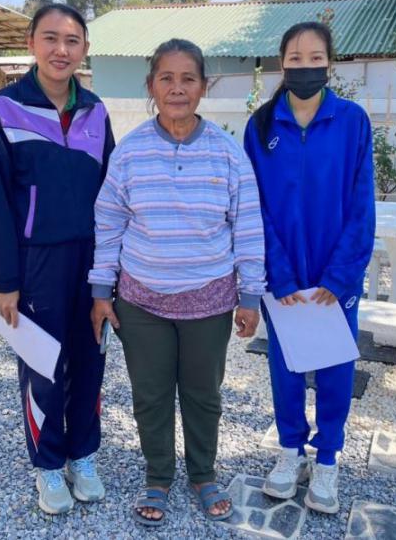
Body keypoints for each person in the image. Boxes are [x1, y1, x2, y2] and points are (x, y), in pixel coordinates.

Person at [88, 39, 265, 527]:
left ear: (203, 87)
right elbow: (109, 225)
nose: (177, 88)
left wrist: (250, 295)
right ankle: (158, 475)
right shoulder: (130, 153)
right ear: (151, 86)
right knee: (150, 394)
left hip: (209, 301)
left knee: (203, 394)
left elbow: (248, 227)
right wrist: (101, 292)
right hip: (141, 302)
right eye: (166, 78)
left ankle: (203, 473)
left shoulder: (227, 154)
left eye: (188, 78)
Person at [0, 3, 115, 515]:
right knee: (44, 365)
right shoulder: (3, 109)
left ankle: (83, 455)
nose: (62, 50)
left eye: (72, 40)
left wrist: (111, 272)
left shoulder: (96, 111)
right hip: (36, 264)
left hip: (91, 262)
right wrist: (5, 279)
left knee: (91, 361)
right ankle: (49, 465)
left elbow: (111, 197)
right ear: (32, 43)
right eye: (51, 38)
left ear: (85, 49)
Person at [243, 21, 375, 514]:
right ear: (282, 63)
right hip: (283, 277)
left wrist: (340, 277)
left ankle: (328, 459)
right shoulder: (261, 126)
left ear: (330, 64)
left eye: (315, 58)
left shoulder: (352, 121)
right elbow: (253, 205)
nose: (305, 66)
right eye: (295, 58)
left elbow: (362, 205)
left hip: (334, 277)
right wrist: (277, 273)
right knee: (286, 367)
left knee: (337, 367)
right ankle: (290, 451)